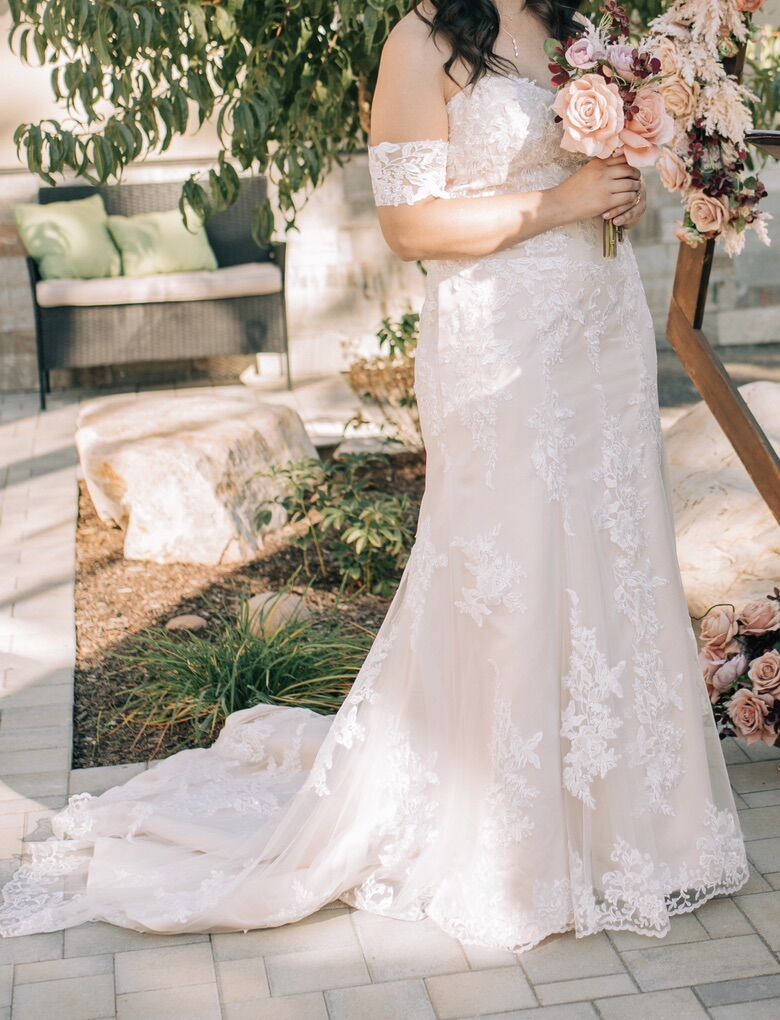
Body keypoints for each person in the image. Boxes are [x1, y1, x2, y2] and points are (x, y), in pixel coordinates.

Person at [0, 0, 748, 951]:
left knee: (614, 557)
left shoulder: (576, 28)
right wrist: (562, 202)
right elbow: (407, 225)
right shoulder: (422, 41)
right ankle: (511, 839)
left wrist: (615, 185)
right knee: (506, 568)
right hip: (498, 341)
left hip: (597, 330)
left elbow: (589, 171)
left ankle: (635, 833)